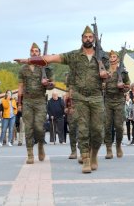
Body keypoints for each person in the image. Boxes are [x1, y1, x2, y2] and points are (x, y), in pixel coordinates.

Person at [15, 26, 108, 173]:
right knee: (83, 129)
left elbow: (108, 77)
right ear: (82, 39)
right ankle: (86, 160)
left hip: (96, 96)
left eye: (91, 37)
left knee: (97, 130)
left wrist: (105, 76)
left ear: (94, 39)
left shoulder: (103, 57)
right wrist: (28, 60)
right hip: (79, 97)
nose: (88, 39)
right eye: (85, 37)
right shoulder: (74, 56)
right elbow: (51, 58)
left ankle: (94, 155)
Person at [16, 42, 54, 165]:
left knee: (39, 127)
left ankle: (40, 145)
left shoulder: (45, 67)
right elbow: (20, 87)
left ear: (40, 53)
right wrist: (19, 103)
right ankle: (30, 154)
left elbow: (52, 85)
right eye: (32, 51)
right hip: (27, 101)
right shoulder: (23, 69)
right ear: (30, 53)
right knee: (28, 128)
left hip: (40, 101)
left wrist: (47, 83)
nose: (34, 53)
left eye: (36, 51)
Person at [104, 50, 130, 159]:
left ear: (118, 59)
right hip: (107, 100)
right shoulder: (104, 71)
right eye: (111, 57)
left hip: (119, 100)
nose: (112, 58)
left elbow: (128, 86)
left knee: (119, 126)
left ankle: (118, 145)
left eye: (114, 56)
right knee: (107, 126)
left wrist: (123, 86)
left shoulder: (123, 72)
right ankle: (109, 148)